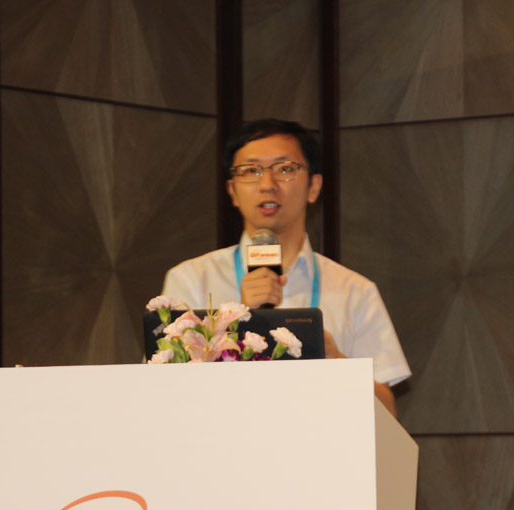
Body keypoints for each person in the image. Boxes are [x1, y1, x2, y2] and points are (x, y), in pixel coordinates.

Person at [162, 118, 410, 416]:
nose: (268, 184)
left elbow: (387, 413)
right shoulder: (191, 281)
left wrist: (336, 361)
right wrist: (237, 323)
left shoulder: (355, 291)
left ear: (313, 187)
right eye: (251, 170)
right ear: (232, 191)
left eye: (285, 169)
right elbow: (164, 396)